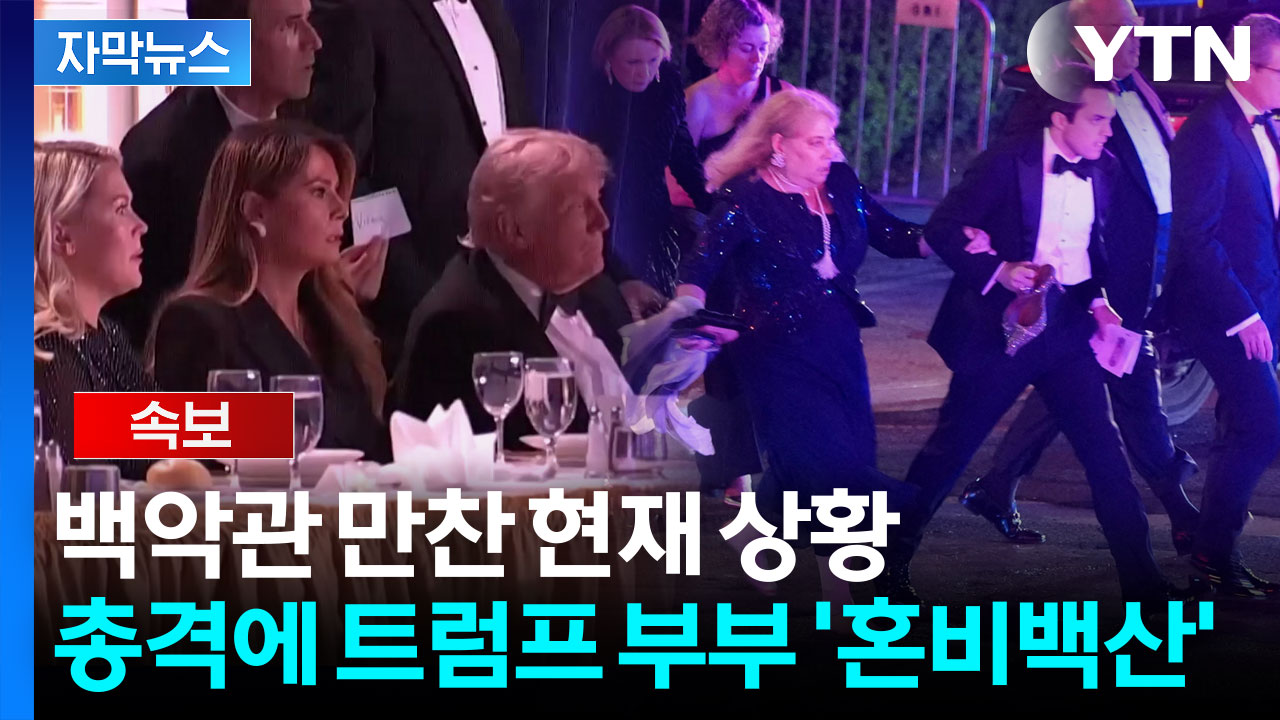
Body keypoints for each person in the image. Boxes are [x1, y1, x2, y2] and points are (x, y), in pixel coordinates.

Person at [883, 65, 1183, 604]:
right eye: (1097, 120)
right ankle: (888, 565)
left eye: (1110, 120)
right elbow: (943, 228)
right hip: (999, 329)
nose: (1108, 131)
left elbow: (1090, 253)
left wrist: (1100, 305)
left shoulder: (1105, 168)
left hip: (1067, 331)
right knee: (950, 450)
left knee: (1105, 454)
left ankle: (1142, 580)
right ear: (1060, 120)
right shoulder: (1007, 162)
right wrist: (998, 270)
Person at [677, 89, 932, 603]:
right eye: (816, 142)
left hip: (838, 342)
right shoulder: (747, 201)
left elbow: (893, 235)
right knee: (830, 469)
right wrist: (688, 312)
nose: (830, 150)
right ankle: (846, 594)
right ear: (779, 145)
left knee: (824, 463)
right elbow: (700, 266)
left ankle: (761, 527)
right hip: (773, 350)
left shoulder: (841, 183)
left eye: (831, 139)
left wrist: (952, 238)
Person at [963, 0, 1200, 551]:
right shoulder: (1053, 100)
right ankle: (1181, 510)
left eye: (1138, 28)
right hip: (1091, 277)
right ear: (1084, 38)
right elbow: (1020, 185)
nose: (1137, 38)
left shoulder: (1136, 88)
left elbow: (1158, 177)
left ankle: (996, 486)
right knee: (1131, 379)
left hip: (1147, 265)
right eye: (1123, 30)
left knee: (1076, 384)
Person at [107, 0, 385, 353]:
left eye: (309, 19)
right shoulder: (158, 158)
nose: (314, 40)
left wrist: (332, 294)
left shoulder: (312, 125)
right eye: (290, 25)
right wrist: (324, 297)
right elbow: (151, 328)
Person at [306, 0, 534, 373]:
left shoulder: (495, 14)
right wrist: (413, 286)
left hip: (506, 303)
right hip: (411, 311)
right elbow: (343, 166)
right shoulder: (359, 11)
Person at [150, 120, 390, 463]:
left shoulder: (333, 321)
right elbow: (189, 463)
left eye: (338, 191)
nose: (342, 208)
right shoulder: (198, 323)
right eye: (319, 192)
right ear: (256, 210)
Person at [391, 129, 629, 451]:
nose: (602, 221)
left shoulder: (601, 297)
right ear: (514, 229)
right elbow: (461, 470)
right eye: (577, 207)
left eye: (597, 199)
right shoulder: (454, 328)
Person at [1164, 13, 1280, 598]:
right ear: (1246, 67)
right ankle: (1212, 552)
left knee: (1240, 427)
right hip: (1224, 310)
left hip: (1264, 301)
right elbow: (1197, 235)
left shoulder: (1265, 126)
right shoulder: (1207, 131)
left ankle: (1215, 558)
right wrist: (1244, 314)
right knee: (1265, 424)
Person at [680, 0, 792, 505]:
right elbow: (678, 186)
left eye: (763, 48)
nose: (756, 58)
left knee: (768, 349)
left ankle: (758, 464)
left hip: (768, 239)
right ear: (720, 46)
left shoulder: (780, 97)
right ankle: (734, 474)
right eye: (746, 47)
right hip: (714, 234)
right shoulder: (698, 101)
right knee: (723, 350)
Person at [573, 5, 712, 309]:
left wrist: (709, 202)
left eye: (653, 60)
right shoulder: (589, 93)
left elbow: (681, 151)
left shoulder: (667, 83)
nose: (645, 72)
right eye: (633, 62)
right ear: (608, 57)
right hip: (598, 217)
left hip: (652, 217)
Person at [35, 141, 155, 480]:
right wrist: (269, 427)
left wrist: (272, 426)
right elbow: (83, 483)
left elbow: (166, 433)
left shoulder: (105, 335)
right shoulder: (44, 353)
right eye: (121, 209)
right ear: (61, 236)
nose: (141, 225)